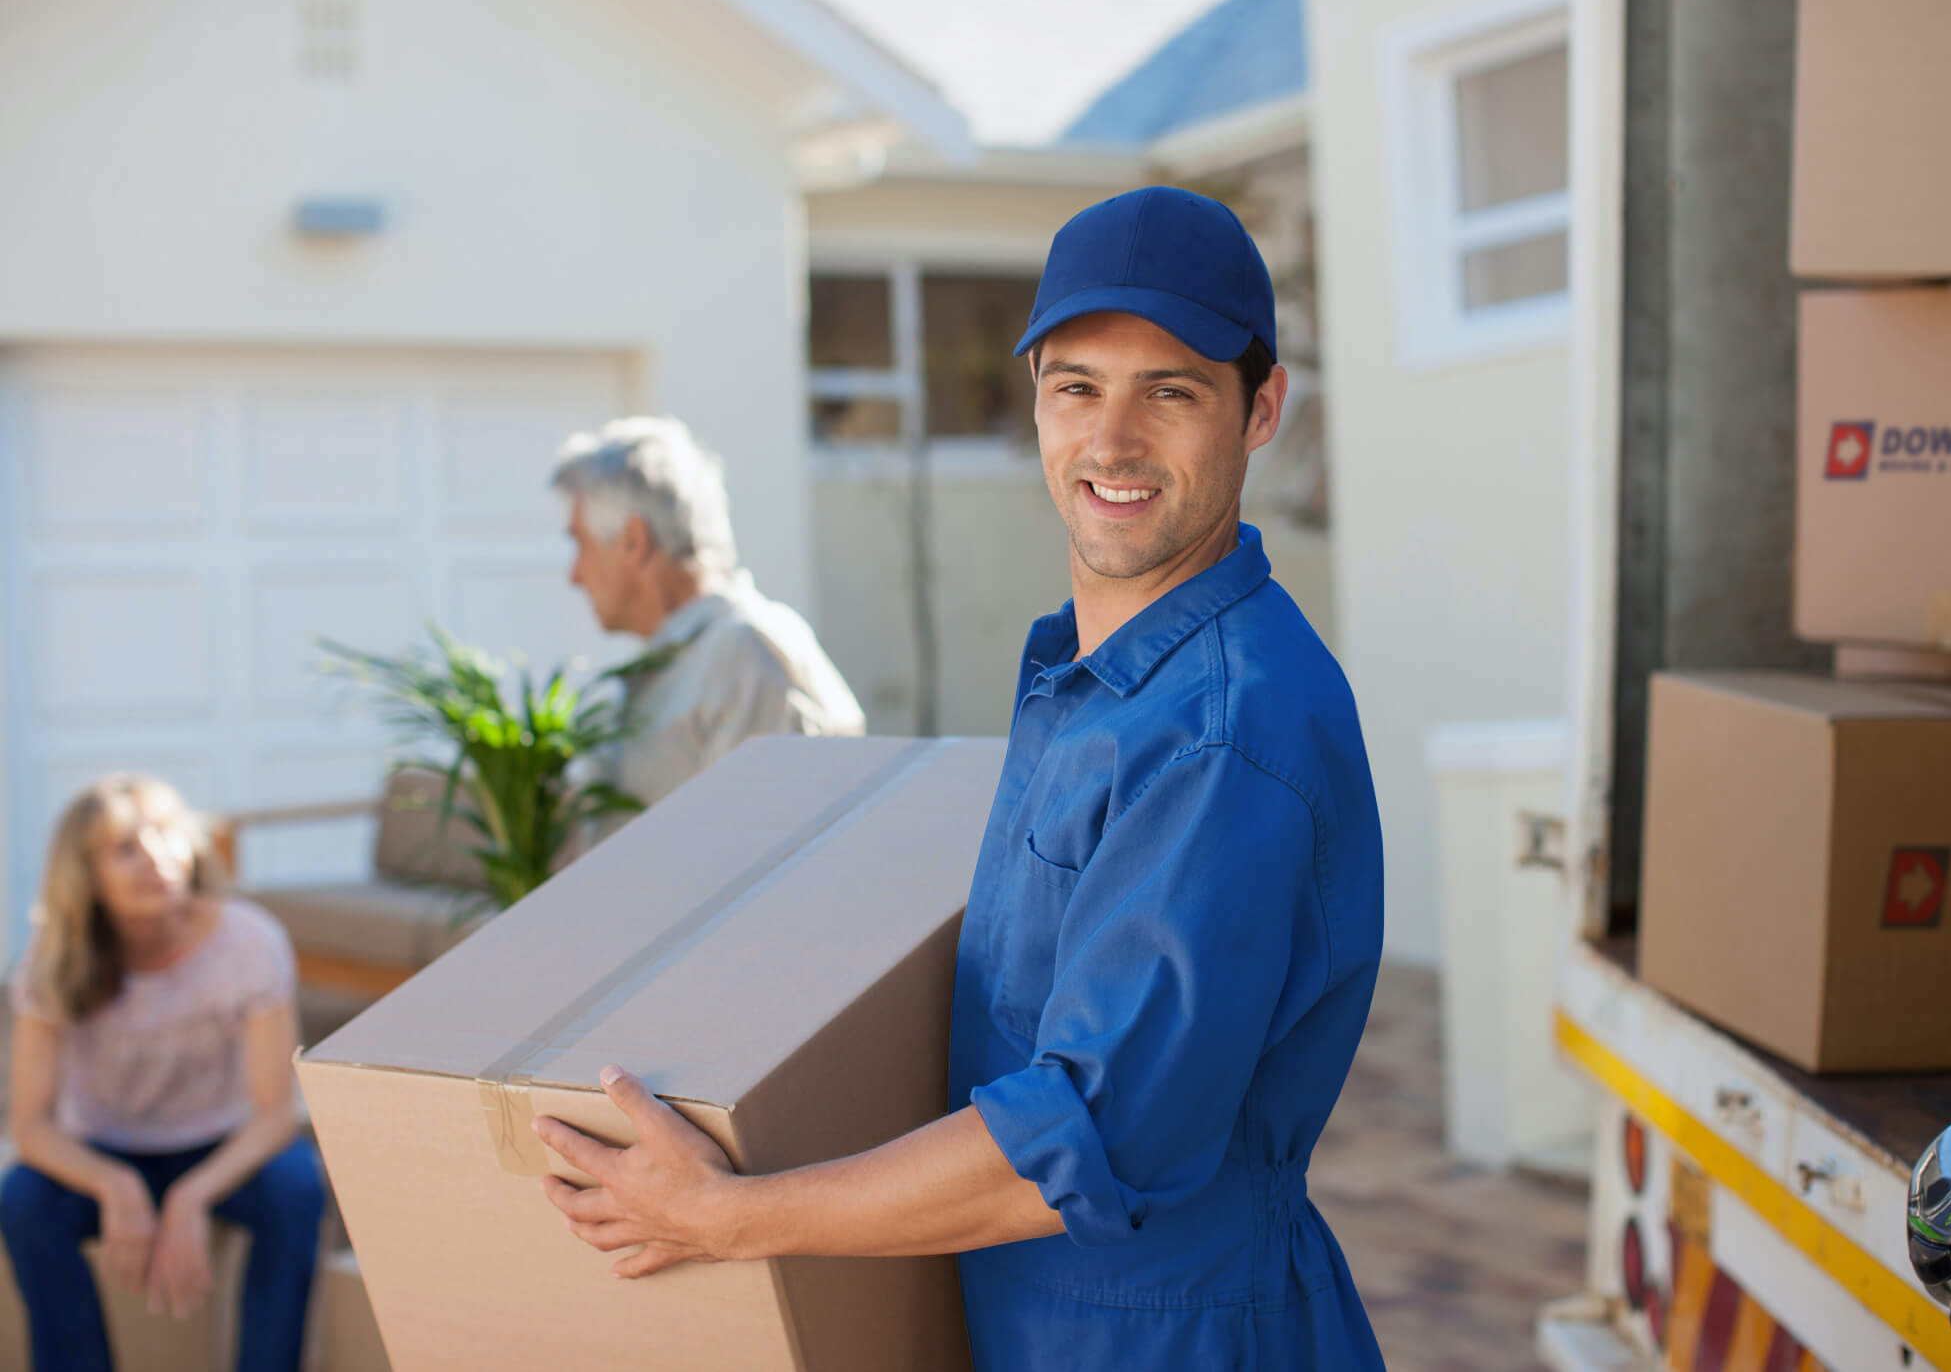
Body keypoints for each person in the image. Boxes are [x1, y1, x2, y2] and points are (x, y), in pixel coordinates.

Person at [533, 187, 1387, 1369]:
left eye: (1172, 391)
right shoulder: (1101, 678)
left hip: (1174, 1336)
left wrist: (727, 1216)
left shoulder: (1223, 734)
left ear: (1262, 409)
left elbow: (1086, 1131)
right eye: (1077, 386)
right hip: (1047, 1319)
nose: (1114, 441)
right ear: (1035, 399)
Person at [2, 774, 324, 1372]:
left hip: (221, 1148)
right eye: (125, 848)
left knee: (298, 1187)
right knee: (21, 1201)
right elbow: (31, 1127)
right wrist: (113, 1184)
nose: (155, 857)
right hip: (103, 1147)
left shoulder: (249, 941)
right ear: (84, 876)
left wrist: (190, 1196)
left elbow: (276, 1114)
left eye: (165, 835)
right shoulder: (52, 958)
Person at [551, 416, 865, 808]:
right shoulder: (690, 660)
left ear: (633, 541)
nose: (574, 576)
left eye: (580, 544)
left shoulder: (746, 654)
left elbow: (765, 852)